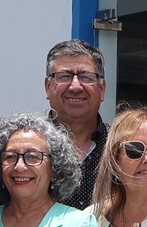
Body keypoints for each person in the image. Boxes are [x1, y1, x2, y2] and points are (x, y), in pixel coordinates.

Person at [45, 40, 109, 211]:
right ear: (47, 87)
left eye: (85, 77)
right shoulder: (25, 150)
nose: (75, 86)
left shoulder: (123, 148)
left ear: (102, 89)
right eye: (64, 76)